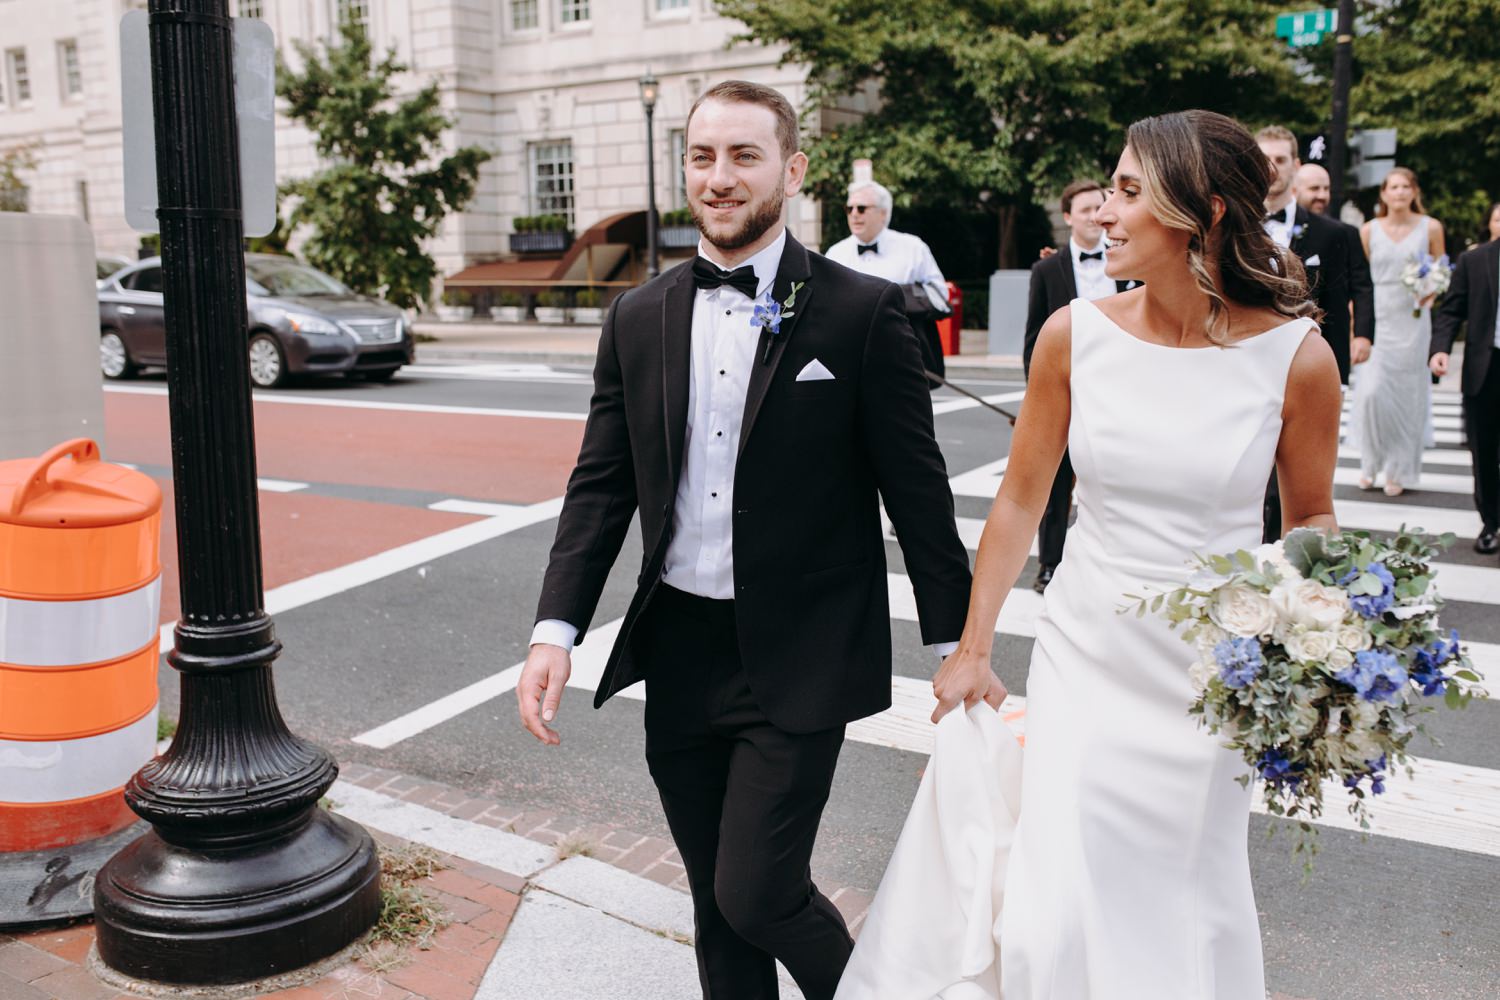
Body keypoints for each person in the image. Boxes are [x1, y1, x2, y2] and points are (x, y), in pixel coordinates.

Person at [839, 110, 1341, 999]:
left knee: (1181, 906)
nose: (1103, 211)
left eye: (1128, 191)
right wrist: (973, 646)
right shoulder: (1074, 334)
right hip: (1086, 650)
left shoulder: (1299, 361)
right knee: (1052, 910)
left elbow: (1309, 522)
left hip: (1209, 680)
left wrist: (1324, 659)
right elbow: (1023, 498)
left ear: (1206, 212)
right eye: (1109, 189)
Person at [517, 80, 972, 1000]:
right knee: (716, 908)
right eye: (702, 156)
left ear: (792, 170)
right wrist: (554, 631)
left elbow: (917, 494)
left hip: (800, 655)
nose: (719, 178)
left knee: (758, 893)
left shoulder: (861, 310)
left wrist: (957, 645)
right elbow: (600, 486)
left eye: (743, 156)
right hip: (680, 651)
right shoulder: (637, 317)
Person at [1022, 179, 1139, 591]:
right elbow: (1033, 341)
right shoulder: (1047, 269)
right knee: (1053, 487)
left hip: (1119, 394)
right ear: (1068, 216)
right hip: (1065, 390)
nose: (1096, 216)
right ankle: (1049, 564)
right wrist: (1035, 401)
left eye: (1101, 206)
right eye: (1086, 209)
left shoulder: (1130, 262)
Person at [1257, 128, 1374, 539]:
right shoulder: (1225, 228)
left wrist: (1341, 368)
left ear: (1297, 165)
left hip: (1305, 369)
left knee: (1300, 481)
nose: (1271, 168)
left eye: (1281, 159)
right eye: (1263, 158)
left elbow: (1343, 304)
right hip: (1245, 365)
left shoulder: (1333, 234)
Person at [1348, 167, 1447, 496]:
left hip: (1414, 319)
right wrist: (1356, 325)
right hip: (1378, 317)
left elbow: (1440, 270)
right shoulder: (1368, 230)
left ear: (1414, 191)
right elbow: (1360, 281)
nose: (1400, 192)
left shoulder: (1430, 227)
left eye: (1406, 187)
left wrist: (1429, 291)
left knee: (1407, 397)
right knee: (1373, 393)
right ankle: (1370, 462)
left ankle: (1398, 469)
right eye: (1394, 187)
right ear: (1384, 194)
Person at [825, 180, 951, 382]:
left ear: (883, 213)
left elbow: (940, 297)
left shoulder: (913, 248)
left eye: (862, 208)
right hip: (849, 358)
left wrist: (900, 297)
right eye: (849, 208)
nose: (854, 214)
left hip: (903, 358)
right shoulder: (835, 253)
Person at [1430, 230, 1500, 556]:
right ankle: (1491, 522)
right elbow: (1451, 310)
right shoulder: (1475, 259)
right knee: (1483, 450)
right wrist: (1440, 349)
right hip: (1486, 368)